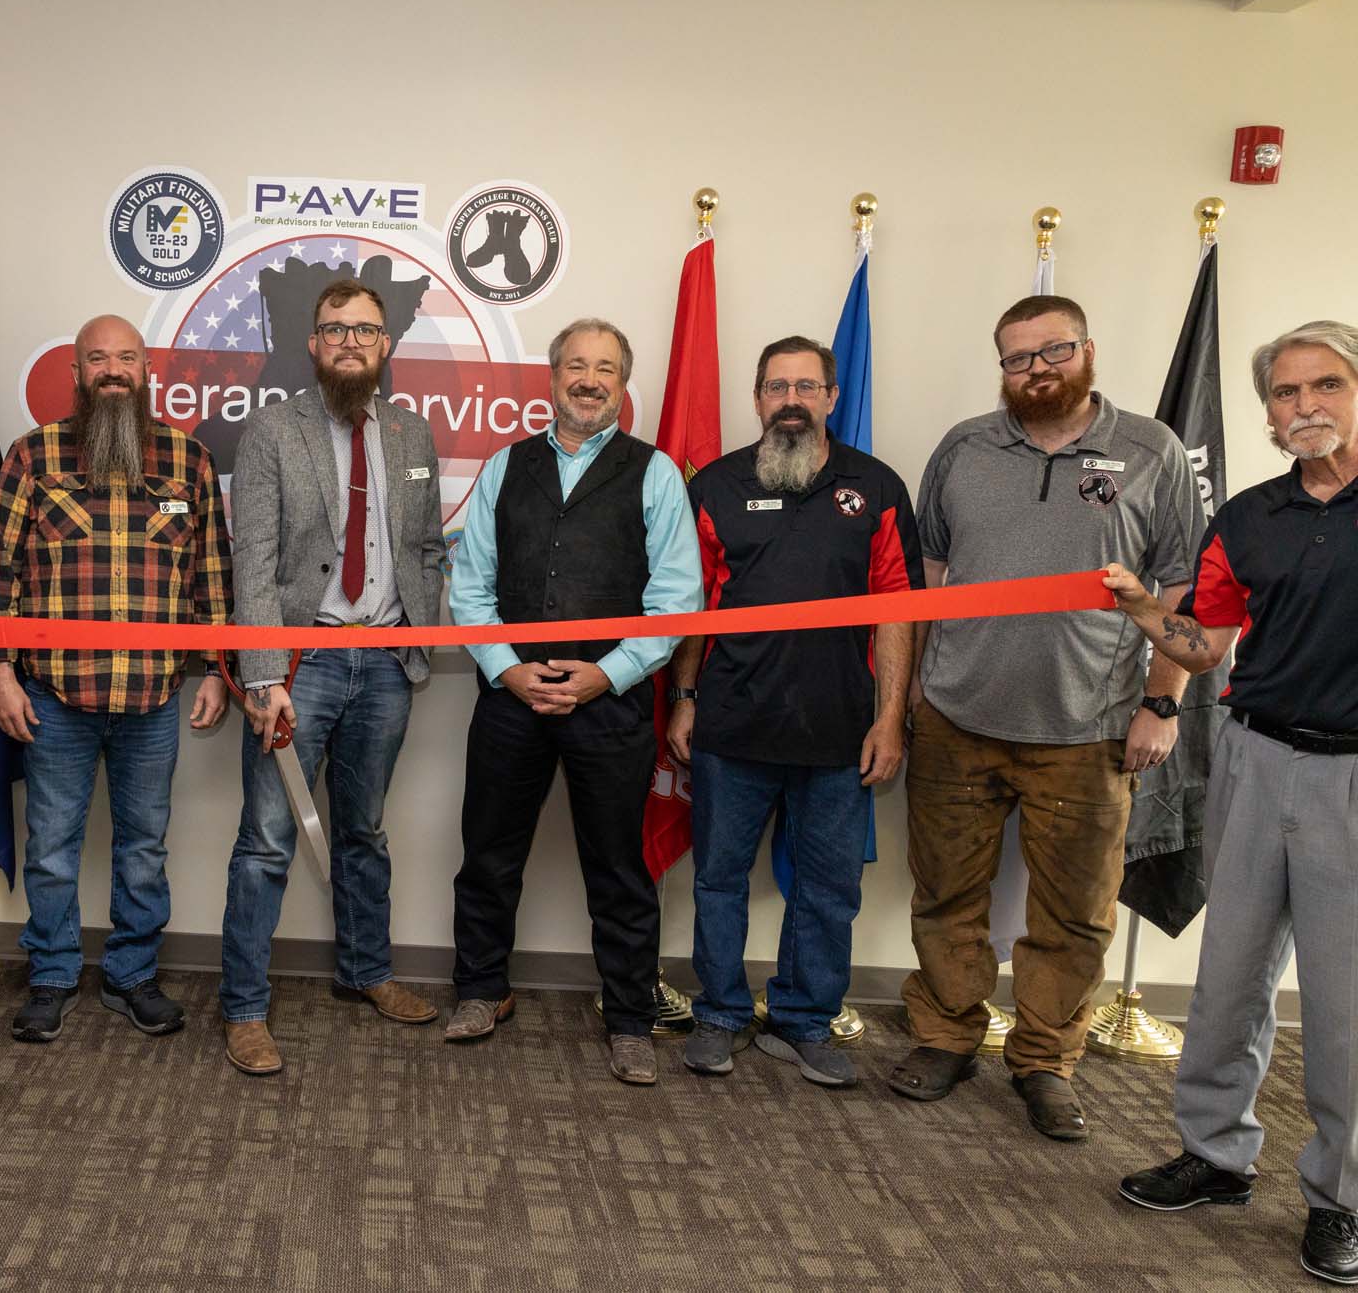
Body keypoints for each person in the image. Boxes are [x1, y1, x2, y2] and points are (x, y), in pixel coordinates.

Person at [891, 295, 1199, 1140]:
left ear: (1087, 350)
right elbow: (929, 570)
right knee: (947, 892)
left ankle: (1044, 1060)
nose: (1037, 370)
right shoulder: (964, 447)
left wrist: (1161, 700)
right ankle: (947, 1034)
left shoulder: (1153, 451)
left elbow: (1181, 588)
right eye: (1018, 358)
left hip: (1089, 727)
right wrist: (915, 687)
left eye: (1052, 351)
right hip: (958, 715)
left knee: (1072, 913)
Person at [1107, 320, 1358, 1285]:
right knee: (1229, 976)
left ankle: (1341, 1198)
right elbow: (1205, 642)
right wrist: (1141, 609)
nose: (1306, 408)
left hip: (1351, 776)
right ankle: (1216, 1155)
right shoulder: (1248, 516)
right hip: (1255, 761)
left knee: (1342, 1007)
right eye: (1287, 394)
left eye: (1325, 386)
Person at [446, 317, 702, 1086]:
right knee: (488, 854)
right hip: (510, 695)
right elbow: (470, 586)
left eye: (607, 369)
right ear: (552, 378)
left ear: (625, 384)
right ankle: (481, 990)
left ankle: (629, 1017)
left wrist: (608, 673)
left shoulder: (654, 473)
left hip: (611, 702)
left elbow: (677, 598)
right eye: (576, 366)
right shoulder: (504, 467)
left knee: (619, 867)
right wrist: (506, 666)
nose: (590, 380)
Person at [667, 335, 920, 1089]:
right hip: (731, 724)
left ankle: (805, 1020)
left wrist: (890, 716)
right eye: (777, 386)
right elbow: (692, 609)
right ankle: (718, 1013)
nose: (791, 400)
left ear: (832, 399)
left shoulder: (874, 488)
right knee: (718, 877)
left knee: (829, 887)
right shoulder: (713, 485)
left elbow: (900, 610)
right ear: (756, 399)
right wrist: (683, 699)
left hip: (841, 730)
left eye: (807, 386)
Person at [0, 314, 231, 1043]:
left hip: (153, 698)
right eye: (98, 358)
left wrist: (215, 670)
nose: (113, 369)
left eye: (126, 357)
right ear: (78, 373)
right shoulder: (33, 456)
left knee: (144, 847)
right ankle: (52, 973)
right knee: (53, 845)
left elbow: (210, 574)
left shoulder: (188, 461)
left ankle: (131, 975)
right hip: (54, 697)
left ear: (146, 369)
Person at [219, 278, 446, 1075]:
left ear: (386, 346)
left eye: (366, 330)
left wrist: (420, 630)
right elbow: (252, 561)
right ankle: (245, 1008)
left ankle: (367, 971)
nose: (351, 342)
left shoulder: (415, 436)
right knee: (268, 842)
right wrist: (263, 674)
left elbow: (425, 548)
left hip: (384, 664)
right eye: (335, 329)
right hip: (300, 667)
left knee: (364, 832)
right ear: (312, 344)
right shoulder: (271, 433)